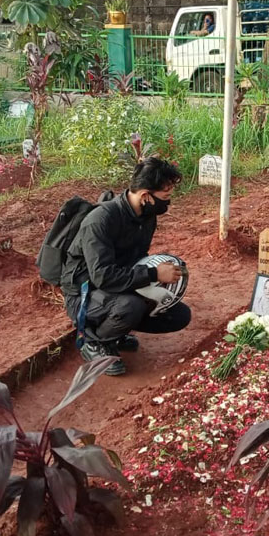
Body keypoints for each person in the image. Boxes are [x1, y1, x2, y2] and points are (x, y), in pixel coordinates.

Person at [61, 157, 191, 376]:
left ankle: (116, 333)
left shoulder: (146, 216)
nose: (168, 202)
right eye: (165, 197)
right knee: (131, 306)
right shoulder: (101, 220)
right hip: (84, 295)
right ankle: (94, 342)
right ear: (145, 196)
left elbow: (137, 259)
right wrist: (153, 273)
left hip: (114, 287)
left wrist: (161, 271)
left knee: (178, 315)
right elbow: (102, 276)